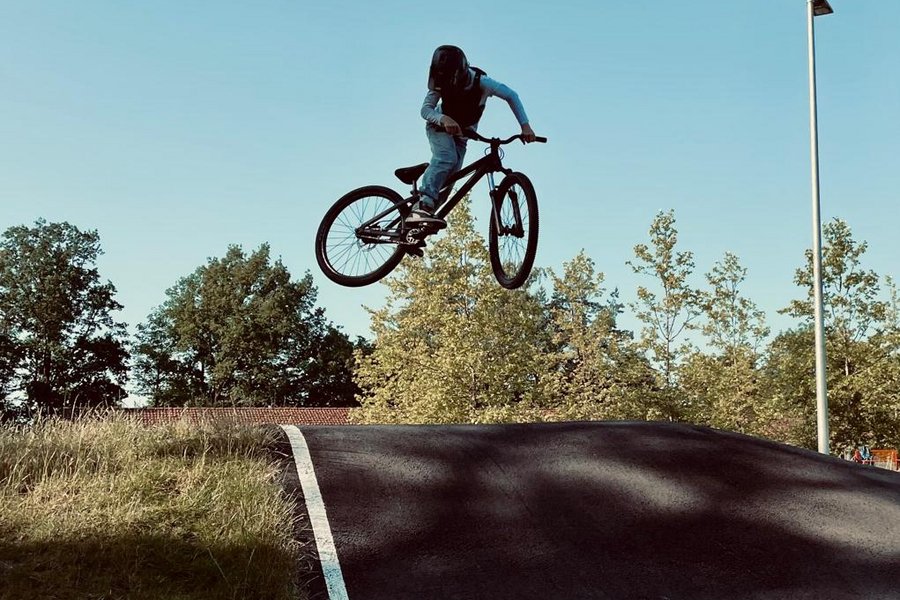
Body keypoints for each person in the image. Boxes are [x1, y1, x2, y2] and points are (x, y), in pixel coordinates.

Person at [406, 45, 538, 228]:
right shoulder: (439, 81)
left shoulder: (483, 82)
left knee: (450, 180)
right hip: (438, 128)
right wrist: (443, 119)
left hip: (462, 136)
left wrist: (525, 126)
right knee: (446, 158)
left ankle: (419, 225)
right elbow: (425, 110)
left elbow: (511, 95)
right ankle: (421, 206)